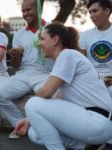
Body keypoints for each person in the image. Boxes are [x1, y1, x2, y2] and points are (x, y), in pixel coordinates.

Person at [13, 22, 112, 150]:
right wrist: (28, 119)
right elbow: (59, 98)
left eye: (42, 39)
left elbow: (46, 93)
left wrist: (29, 113)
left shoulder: (67, 55)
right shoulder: (66, 58)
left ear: (55, 40)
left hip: (97, 121)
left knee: (32, 103)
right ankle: (86, 146)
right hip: (94, 124)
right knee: (36, 134)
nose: (39, 43)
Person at [0, 0, 53, 138]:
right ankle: (20, 124)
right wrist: (15, 55)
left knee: (51, 97)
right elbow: (15, 65)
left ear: (38, 9)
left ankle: (48, 130)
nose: (26, 14)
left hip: (46, 74)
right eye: (23, 11)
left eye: (29, 10)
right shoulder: (19, 34)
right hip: (24, 73)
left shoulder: (52, 28)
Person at [79, 0, 112, 96]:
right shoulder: (85, 35)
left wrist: (107, 81)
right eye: (90, 12)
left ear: (107, 11)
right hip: (92, 81)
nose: (92, 15)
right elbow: (82, 64)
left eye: (95, 11)